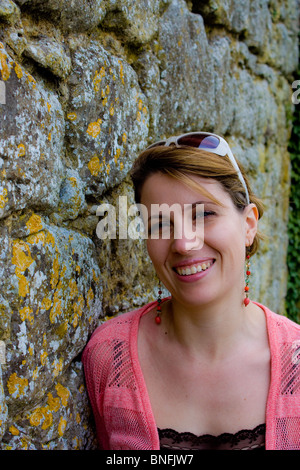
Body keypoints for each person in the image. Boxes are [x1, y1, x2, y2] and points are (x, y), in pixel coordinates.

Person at [82, 132, 300, 450]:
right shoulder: (108, 358)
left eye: (204, 215)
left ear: (249, 225)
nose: (184, 243)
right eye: (160, 224)